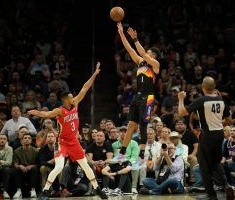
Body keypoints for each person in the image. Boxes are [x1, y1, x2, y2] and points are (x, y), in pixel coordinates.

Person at [27, 62, 108, 199]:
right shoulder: (60, 110)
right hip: (62, 142)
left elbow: (85, 87)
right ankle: (45, 190)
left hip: (74, 142)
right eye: (70, 96)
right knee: (59, 167)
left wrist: (94, 74)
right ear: (65, 100)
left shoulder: (75, 103)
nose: (73, 97)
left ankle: (97, 189)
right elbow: (47, 115)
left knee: (86, 165)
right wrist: (35, 112)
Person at [177, 76, 235, 200]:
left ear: (203, 87)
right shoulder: (221, 100)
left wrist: (181, 99)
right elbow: (229, 120)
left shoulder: (202, 100)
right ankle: (226, 184)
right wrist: (219, 125)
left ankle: (212, 195)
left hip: (207, 135)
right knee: (215, 162)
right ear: (214, 87)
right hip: (219, 134)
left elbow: (181, 112)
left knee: (204, 166)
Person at [116, 22, 160, 158]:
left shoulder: (155, 64)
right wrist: (122, 34)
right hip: (137, 96)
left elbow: (141, 52)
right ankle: (122, 152)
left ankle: (142, 153)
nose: (146, 53)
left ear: (153, 56)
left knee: (143, 125)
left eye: (148, 53)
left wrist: (135, 39)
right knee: (130, 125)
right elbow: (129, 49)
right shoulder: (141, 62)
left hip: (148, 97)